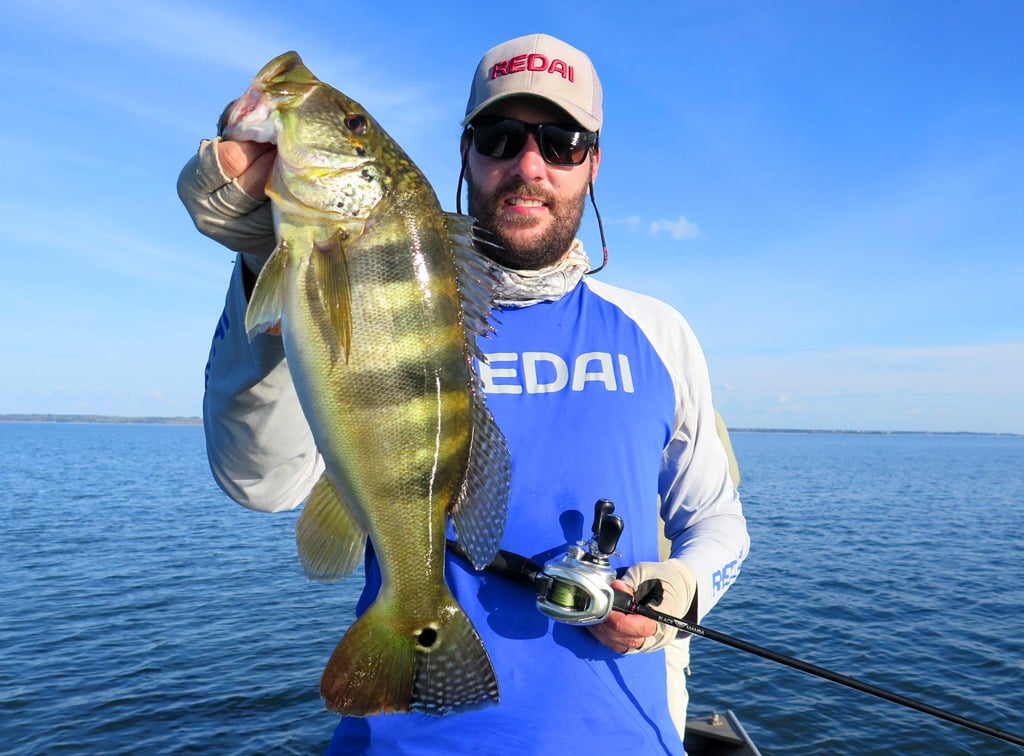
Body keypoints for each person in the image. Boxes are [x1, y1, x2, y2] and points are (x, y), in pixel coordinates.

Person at [179, 33, 748, 755]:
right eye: (500, 136)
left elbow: (720, 525)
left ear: (593, 163)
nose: (529, 166)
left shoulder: (660, 334)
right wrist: (261, 262)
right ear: (466, 152)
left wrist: (685, 587)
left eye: (563, 142)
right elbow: (260, 483)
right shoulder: (363, 292)